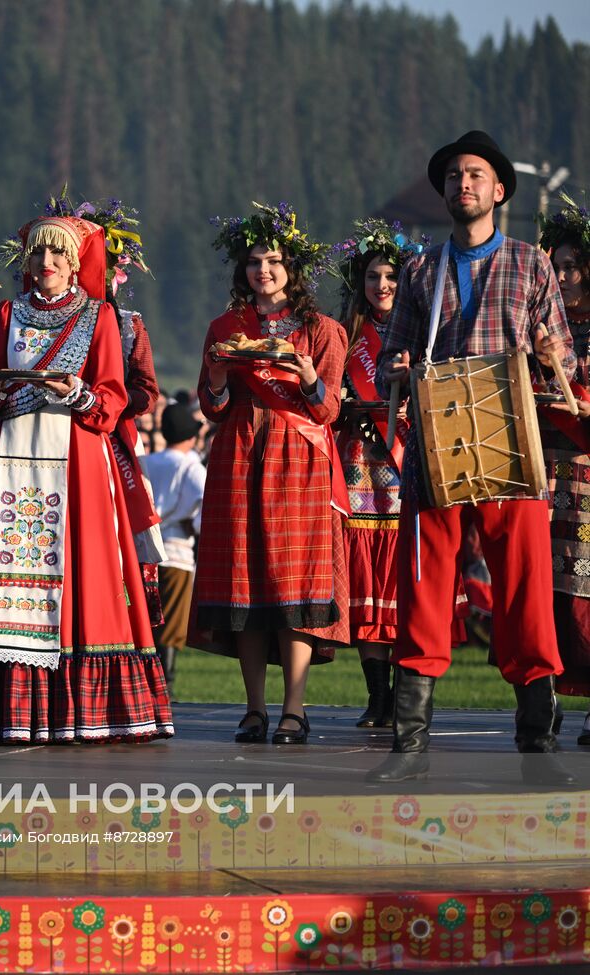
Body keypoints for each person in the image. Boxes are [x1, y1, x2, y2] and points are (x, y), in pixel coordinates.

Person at [372, 130, 575, 783]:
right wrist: (396, 368)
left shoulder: (530, 265)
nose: (464, 184)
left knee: (523, 585)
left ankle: (536, 736)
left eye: (476, 175)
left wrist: (551, 360)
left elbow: (565, 364)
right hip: (438, 438)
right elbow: (387, 364)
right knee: (427, 584)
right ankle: (409, 742)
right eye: (455, 175)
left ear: (498, 190)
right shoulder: (420, 271)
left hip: (511, 439)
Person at [0, 213, 173, 743]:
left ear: (75, 263)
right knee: (13, 569)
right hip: (17, 456)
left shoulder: (99, 317)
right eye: (36, 255)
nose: (44, 263)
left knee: (83, 571)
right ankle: (14, 709)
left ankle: (84, 709)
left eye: (56, 255)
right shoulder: (7, 312)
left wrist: (77, 393)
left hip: (78, 456)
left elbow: (115, 395)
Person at [192, 203, 349, 746]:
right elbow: (212, 408)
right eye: (255, 261)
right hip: (238, 453)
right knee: (245, 584)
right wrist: (215, 377)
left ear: (293, 268)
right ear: (242, 270)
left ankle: (295, 709)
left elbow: (327, 414)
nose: (264, 270)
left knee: (292, 584)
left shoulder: (323, 331)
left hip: (298, 460)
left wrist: (307, 378)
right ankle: (254, 708)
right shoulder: (224, 328)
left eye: (275, 260)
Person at [329, 219, 426, 728]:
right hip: (360, 465)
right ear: (359, 281)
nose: (382, 286)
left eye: (391, 276)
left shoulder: (424, 332)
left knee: (403, 577)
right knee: (366, 575)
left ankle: (407, 695)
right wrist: (352, 406)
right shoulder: (344, 334)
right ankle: (377, 696)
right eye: (372, 276)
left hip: (409, 460)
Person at [532, 193, 590, 746]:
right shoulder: (537, 325)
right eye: (556, 266)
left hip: (585, 474)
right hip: (537, 466)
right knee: (539, 592)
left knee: (583, 594)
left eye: (573, 266)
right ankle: (541, 701)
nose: (564, 275)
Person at [140, 400, 207, 696]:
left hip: (144, 551)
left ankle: (145, 680)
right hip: (177, 552)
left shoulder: (148, 462)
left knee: (147, 620)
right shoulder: (192, 467)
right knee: (171, 625)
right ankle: (164, 684)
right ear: (191, 436)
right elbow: (204, 511)